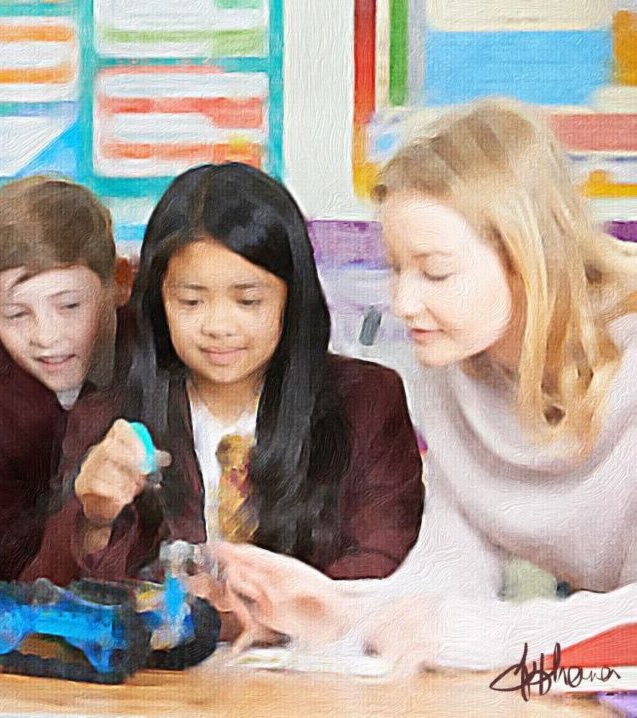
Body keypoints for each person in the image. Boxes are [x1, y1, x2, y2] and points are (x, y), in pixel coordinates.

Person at [208, 100, 637, 670]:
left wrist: (479, 636)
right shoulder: (454, 363)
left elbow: (473, 625)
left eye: (435, 271)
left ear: (527, 259)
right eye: (395, 267)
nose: (403, 303)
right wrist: (337, 612)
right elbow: (454, 568)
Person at [22, 163, 424, 603]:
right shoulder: (107, 415)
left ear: (292, 297)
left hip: (313, 666)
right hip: (165, 671)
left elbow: (384, 568)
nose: (218, 326)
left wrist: (262, 611)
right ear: (159, 301)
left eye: (248, 300)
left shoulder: (367, 401)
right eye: (191, 301)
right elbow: (45, 600)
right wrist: (94, 518)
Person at [0, 177, 125, 579]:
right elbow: (7, 558)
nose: (47, 336)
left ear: (115, 286)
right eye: (17, 314)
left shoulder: (147, 364)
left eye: (70, 305)